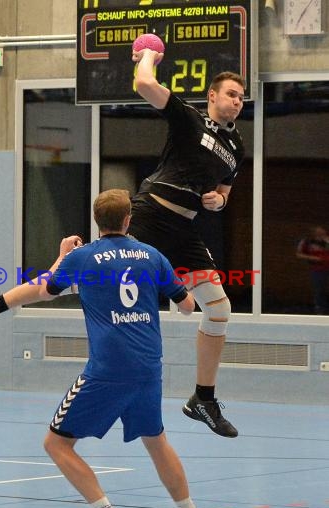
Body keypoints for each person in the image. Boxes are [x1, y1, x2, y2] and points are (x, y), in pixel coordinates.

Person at [0, 189, 206, 508]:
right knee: (156, 440)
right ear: (127, 220)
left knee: (56, 443)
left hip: (107, 370)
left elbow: (46, 289)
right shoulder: (153, 256)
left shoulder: (85, 258)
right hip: (149, 368)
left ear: (97, 222)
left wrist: (61, 258)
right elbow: (186, 306)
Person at [130, 44, 246, 438]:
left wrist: (218, 201)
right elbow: (144, 83)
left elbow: (224, 194)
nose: (237, 100)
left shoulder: (236, 148)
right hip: (149, 215)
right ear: (212, 96)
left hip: (184, 231)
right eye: (231, 93)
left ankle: (203, 399)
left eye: (242, 97)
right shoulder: (188, 118)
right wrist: (148, 55)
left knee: (218, 308)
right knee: (92, 281)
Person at [296, 225, 329, 315]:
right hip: (317, 269)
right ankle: (320, 309)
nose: (320, 233)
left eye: (322, 231)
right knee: (319, 289)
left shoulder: (327, 240)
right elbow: (299, 254)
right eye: (317, 231)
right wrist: (313, 258)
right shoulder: (307, 241)